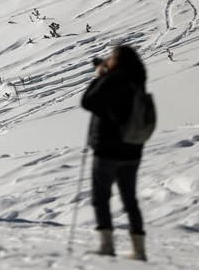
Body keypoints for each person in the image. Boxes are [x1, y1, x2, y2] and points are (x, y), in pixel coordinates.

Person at [81, 45, 148, 261]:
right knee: (130, 199)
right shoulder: (137, 79)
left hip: (108, 150)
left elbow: (89, 101)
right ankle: (139, 250)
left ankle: (106, 246)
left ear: (116, 61)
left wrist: (100, 77)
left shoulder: (112, 79)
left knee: (101, 198)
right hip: (132, 150)